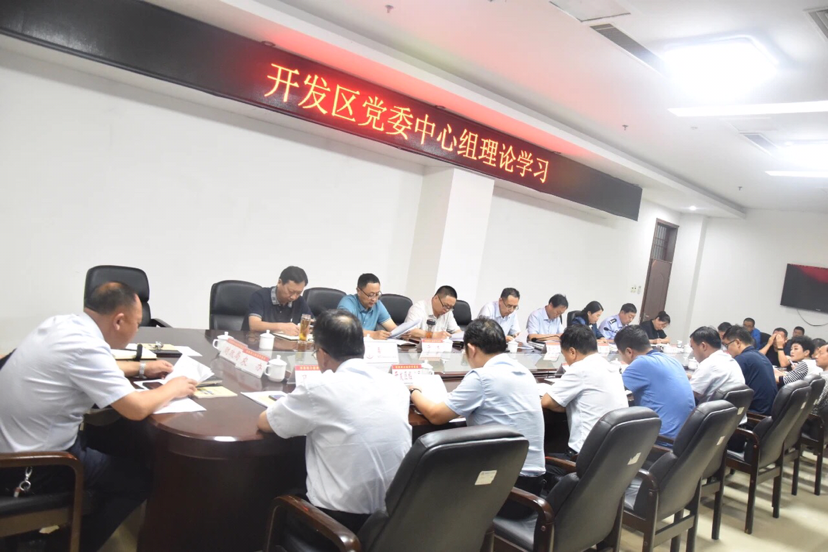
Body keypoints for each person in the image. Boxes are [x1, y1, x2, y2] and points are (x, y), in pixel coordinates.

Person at [0, 282, 197, 552]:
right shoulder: (86, 347)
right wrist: (173, 388)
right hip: (34, 464)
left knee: (121, 440)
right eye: (137, 323)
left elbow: (89, 364)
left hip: (14, 442)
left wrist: (141, 367)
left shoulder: (64, 325)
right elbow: (135, 409)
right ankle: (63, 546)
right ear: (119, 320)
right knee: (138, 482)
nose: (137, 330)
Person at [257, 310, 411, 536]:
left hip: (337, 526)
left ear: (321, 353)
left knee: (278, 494)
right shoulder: (396, 386)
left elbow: (266, 422)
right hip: (389, 523)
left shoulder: (320, 388)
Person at [410, 318, 544, 518]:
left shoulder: (482, 377)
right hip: (532, 490)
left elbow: (436, 416)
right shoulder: (524, 373)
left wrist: (414, 392)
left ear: (471, 349)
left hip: (506, 492)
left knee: (430, 475)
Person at [541, 325, 628, 475]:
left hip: (583, 459)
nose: (567, 361)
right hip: (611, 457)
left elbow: (546, 402)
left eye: (565, 356)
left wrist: (567, 405)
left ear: (572, 352)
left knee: (535, 465)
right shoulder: (611, 368)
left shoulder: (580, 368)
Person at [615, 326, 694, 440]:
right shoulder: (672, 360)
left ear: (629, 351)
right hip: (685, 437)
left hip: (663, 439)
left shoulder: (641, 363)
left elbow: (612, 391)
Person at [722, 325, 777, 415]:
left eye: (726, 345)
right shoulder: (760, 356)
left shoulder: (742, 359)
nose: (726, 350)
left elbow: (726, 388)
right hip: (768, 412)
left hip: (755, 414)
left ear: (737, 343)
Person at [245, 266, 312, 333]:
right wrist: (282, 327)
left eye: (298, 293)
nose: (294, 297)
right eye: (291, 292)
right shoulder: (260, 296)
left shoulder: (300, 301)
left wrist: (310, 328)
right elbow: (254, 325)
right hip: (255, 339)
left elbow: (312, 324)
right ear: (279, 282)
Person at [688, 326, 745, 403]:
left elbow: (687, 396)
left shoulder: (709, 364)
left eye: (693, 348)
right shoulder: (731, 361)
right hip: (731, 409)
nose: (692, 353)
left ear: (703, 346)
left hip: (711, 410)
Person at [337, 273, 398, 339]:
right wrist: (372, 334)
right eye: (370, 295)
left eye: (377, 294)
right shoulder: (348, 302)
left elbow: (393, 329)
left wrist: (402, 334)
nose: (374, 299)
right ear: (358, 291)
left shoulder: (377, 305)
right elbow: (344, 328)